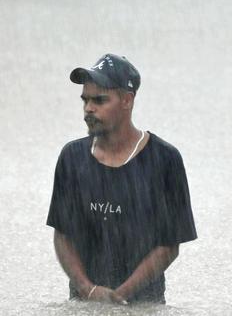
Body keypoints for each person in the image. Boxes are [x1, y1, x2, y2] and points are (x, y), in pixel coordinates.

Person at [46, 53, 197, 304]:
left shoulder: (165, 160)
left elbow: (169, 245)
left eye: (99, 100)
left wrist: (120, 297)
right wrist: (88, 290)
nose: (88, 109)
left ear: (127, 100)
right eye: (85, 100)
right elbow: (63, 235)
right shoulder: (72, 158)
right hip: (83, 305)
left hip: (144, 306)